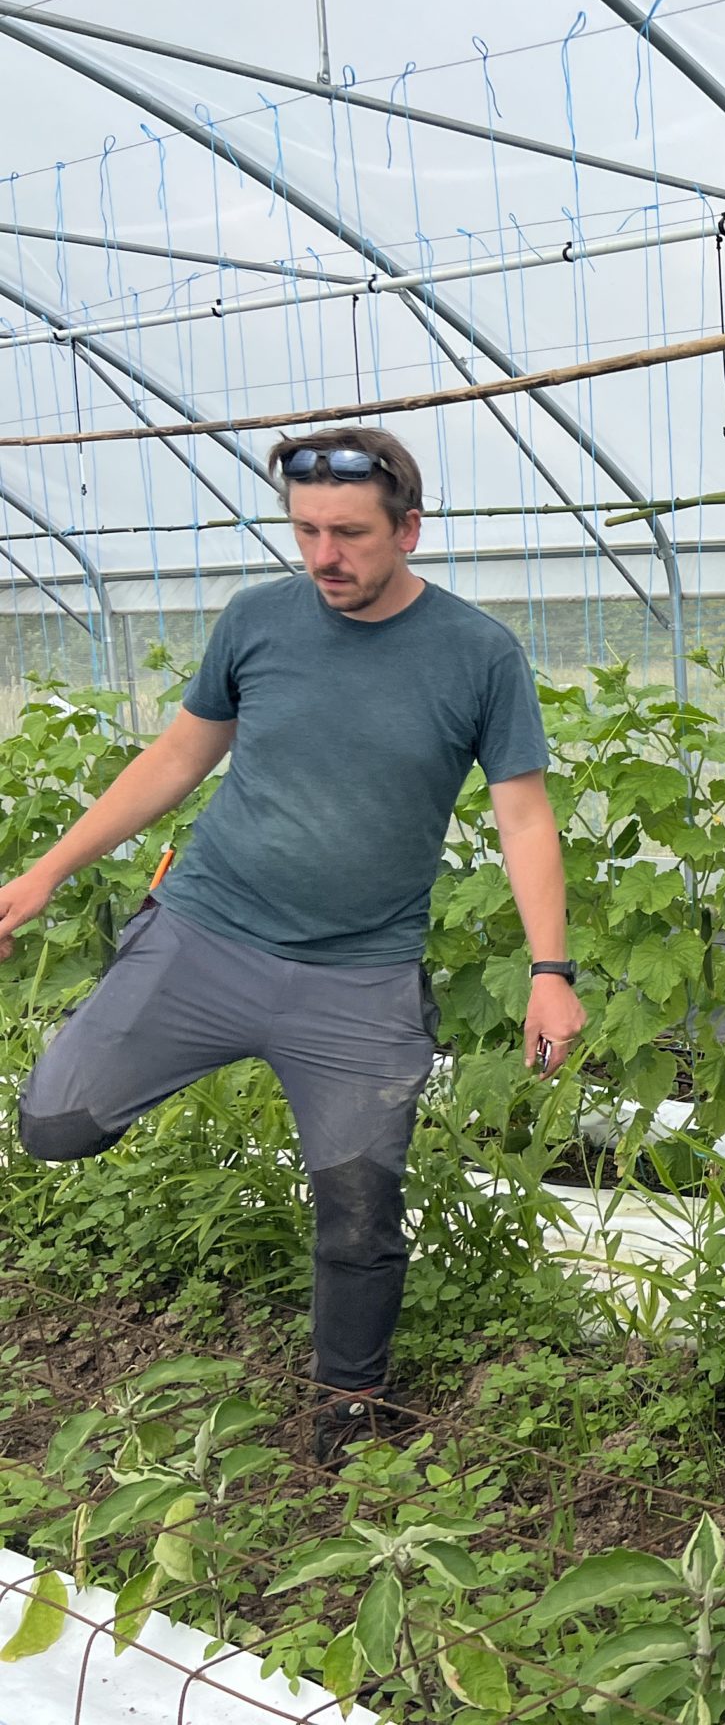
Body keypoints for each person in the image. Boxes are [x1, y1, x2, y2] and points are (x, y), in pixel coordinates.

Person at [2, 426, 584, 1467]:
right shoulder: (258, 621)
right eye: (307, 529)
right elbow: (180, 755)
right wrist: (44, 873)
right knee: (53, 1124)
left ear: (408, 528)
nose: (325, 556)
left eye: (350, 534)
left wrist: (551, 974)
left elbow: (525, 819)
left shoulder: (477, 654)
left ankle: (349, 1404)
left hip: (358, 982)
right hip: (205, 937)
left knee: (360, 1209)